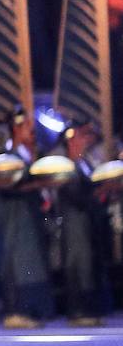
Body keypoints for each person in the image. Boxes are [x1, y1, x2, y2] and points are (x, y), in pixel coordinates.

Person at [0, 105, 54, 328]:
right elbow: (8, 186)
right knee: (18, 263)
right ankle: (16, 311)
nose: (31, 130)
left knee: (31, 264)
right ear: (16, 129)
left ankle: (31, 310)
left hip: (29, 217)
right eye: (26, 126)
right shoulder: (9, 157)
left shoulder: (28, 156)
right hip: (16, 218)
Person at [57, 121, 109, 327]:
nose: (84, 140)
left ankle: (89, 308)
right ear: (70, 141)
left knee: (88, 265)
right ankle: (78, 310)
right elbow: (75, 196)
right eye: (79, 137)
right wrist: (99, 192)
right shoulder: (67, 166)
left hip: (88, 223)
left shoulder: (84, 163)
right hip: (74, 223)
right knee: (78, 265)